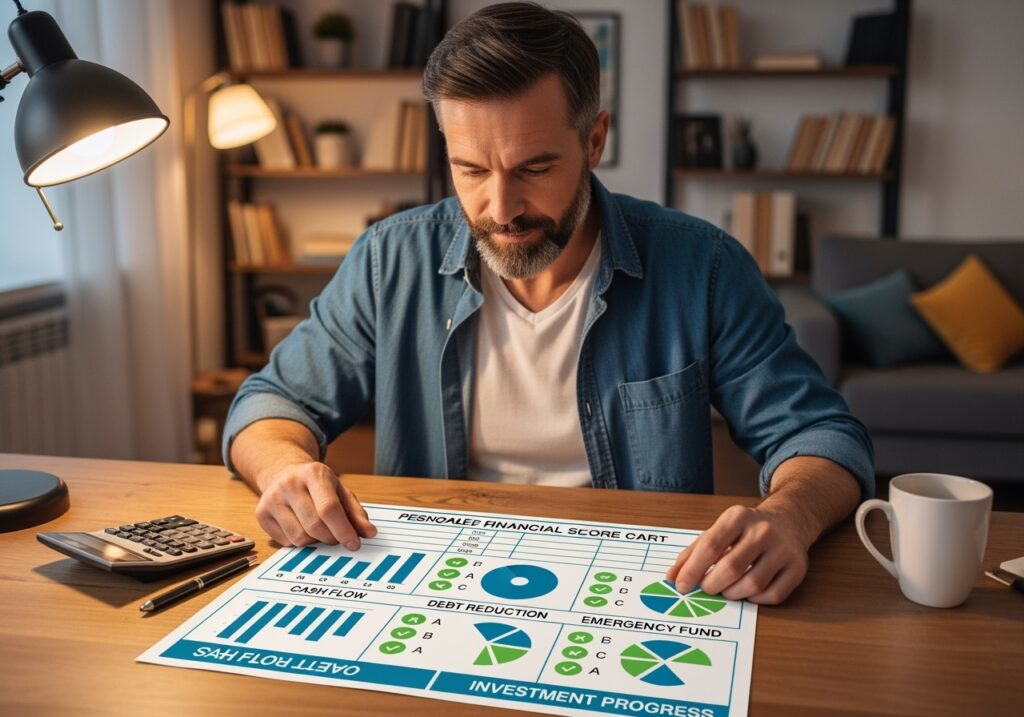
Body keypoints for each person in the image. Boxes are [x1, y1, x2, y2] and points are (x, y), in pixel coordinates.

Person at [223, 2, 873, 605]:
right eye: (471, 171)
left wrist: (790, 514)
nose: (500, 210)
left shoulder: (703, 266)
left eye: (533, 168)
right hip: (435, 582)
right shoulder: (388, 260)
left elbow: (820, 435)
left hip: (633, 589)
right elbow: (268, 404)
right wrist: (286, 466)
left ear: (594, 141)